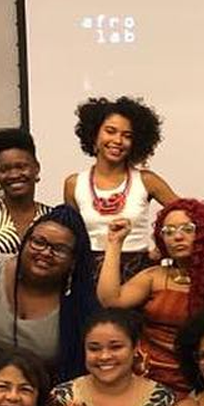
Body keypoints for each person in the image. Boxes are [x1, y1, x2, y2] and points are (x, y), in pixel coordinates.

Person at [98, 198, 204, 397]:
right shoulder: (155, 276)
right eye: (168, 231)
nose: (177, 237)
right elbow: (110, 300)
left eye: (187, 229)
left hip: (202, 383)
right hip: (145, 382)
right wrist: (114, 242)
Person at [0, 204, 98, 382]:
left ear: (73, 260)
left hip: (44, 394)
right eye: (39, 242)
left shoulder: (80, 302)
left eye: (60, 249)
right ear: (25, 242)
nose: (46, 253)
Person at [64, 95, 177, 279]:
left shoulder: (147, 180)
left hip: (138, 273)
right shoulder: (73, 184)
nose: (118, 140)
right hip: (88, 274)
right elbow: (71, 235)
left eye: (127, 136)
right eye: (110, 131)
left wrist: (162, 249)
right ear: (94, 134)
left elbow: (188, 214)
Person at [0, 128, 52, 258]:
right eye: (4, 169)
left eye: (21, 167)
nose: (14, 175)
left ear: (36, 168)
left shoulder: (52, 217)